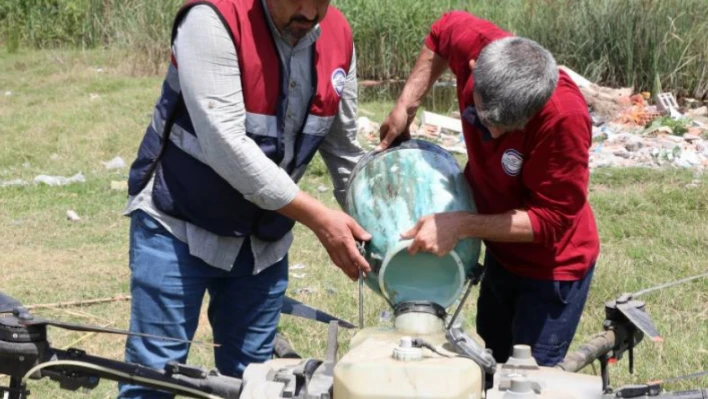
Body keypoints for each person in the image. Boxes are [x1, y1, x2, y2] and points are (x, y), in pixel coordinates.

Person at [119, 0, 370, 397]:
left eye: (320, 1)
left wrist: (382, 221)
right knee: (153, 377)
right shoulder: (212, 19)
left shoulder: (339, 37)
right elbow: (225, 145)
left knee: (255, 382)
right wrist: (320, 219)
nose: (308, 13)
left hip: (260, 244)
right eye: (296, 0)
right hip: (178, 224)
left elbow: (344, 152)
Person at [377, 10, 600, 367]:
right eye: (486, 119)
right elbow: (441, 31)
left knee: (528, 379)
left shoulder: (564, 118)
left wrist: (462, 224)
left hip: (551, 270)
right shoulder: (477, 46)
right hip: (500, 252)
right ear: (473, 66)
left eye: (509, 127)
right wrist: (407, 103)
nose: (493, 135)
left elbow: (552, 220)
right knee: (489, 362)